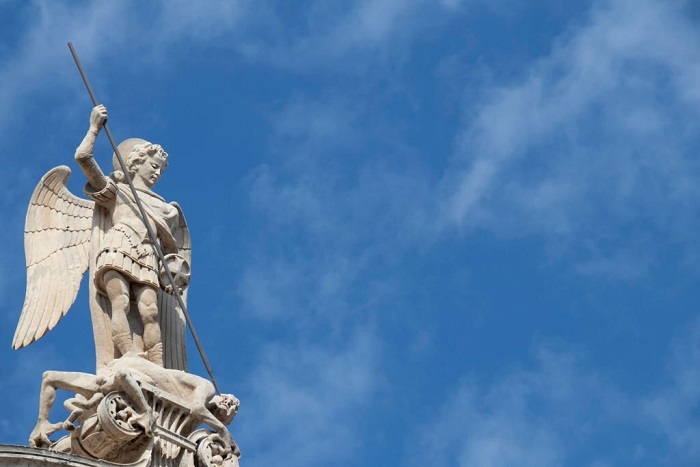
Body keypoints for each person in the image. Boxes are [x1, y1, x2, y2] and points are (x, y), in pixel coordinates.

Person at [75, 105, 183, 365]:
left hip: (147, 252)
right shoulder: (117, 191)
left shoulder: (166, 208)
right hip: (119, 244)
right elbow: (83, 158)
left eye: (161, 169)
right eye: (153, 165)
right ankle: (128, 354)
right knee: (120, 302)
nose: (157, 172)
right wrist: (94, 128)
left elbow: (173, 253)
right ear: (136, 162)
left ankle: (157, 366)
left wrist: (174, 269)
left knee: (150, 311)